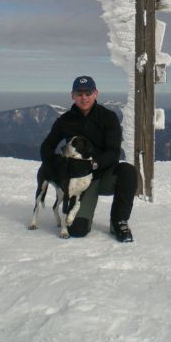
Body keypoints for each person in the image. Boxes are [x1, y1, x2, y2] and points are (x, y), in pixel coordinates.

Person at [39, 76, 137, 242]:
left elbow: (114, 152)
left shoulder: (108, 117)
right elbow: (47, 147)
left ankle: (119, 221)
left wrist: (94, 164)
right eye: (79, 93)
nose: (84, 97)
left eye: (88, 93)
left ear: (95, 93)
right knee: (76, 230)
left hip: (103, 175)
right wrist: (57, 164)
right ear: (73, 95)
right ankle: (82, 219)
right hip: (78, 183)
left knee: (128, 171)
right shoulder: (65, 121)